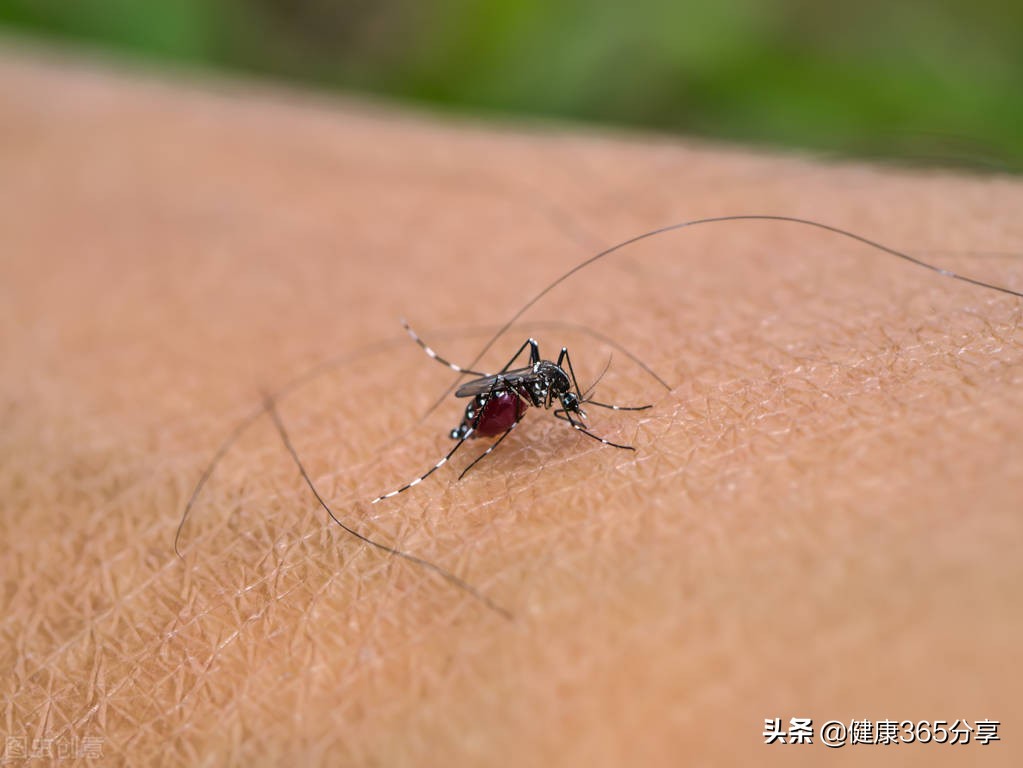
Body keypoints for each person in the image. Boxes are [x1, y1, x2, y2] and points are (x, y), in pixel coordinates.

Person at [3, 49, 1018, 764]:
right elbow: (517, 385)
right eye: (551, 397)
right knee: (509, 392)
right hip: (491, 398)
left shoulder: (537, 380)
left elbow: (536, 373)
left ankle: (471, 434)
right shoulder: (519, 396)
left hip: (497, 394)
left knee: (528, 372)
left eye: (551, 398)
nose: (544, 395)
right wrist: (534, 419)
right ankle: (460, 446)